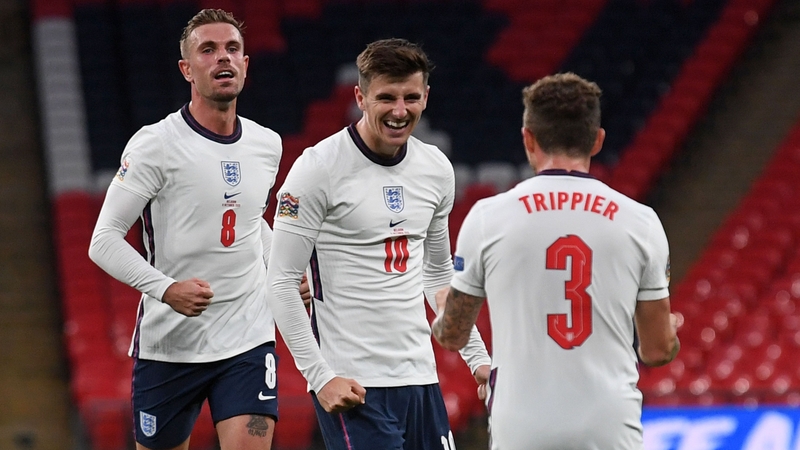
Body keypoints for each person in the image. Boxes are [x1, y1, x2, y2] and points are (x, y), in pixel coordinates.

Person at [432, 72, 680, 450]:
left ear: (528, 138)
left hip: (522, 428)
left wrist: (443, 308)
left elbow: (453, 335)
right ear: (597, 140)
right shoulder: (640, 221)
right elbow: (658, 351)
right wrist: (670, 330)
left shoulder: (488, 217)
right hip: (609, 427)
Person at [266, 38, 491, 450]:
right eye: (386, 97)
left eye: (411, 97)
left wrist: (477, 358)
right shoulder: (318, 168)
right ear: (361, 97)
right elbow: (280, 282)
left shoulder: (436, 168)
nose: (400, 111)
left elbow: (438, 274)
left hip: (421, 378)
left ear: (426, 96)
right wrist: (320, 378)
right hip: (355, 385)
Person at [88, 9, 291, 450]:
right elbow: (102, 241)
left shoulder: (266, 144)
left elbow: (252, 222)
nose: (224, 58)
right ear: (187, 69)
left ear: (246, 63)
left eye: (233, 49)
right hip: (171, 347)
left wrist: (283, 272)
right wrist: (167, 290)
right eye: (209, 49)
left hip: (248, 339)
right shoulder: (155, 144)